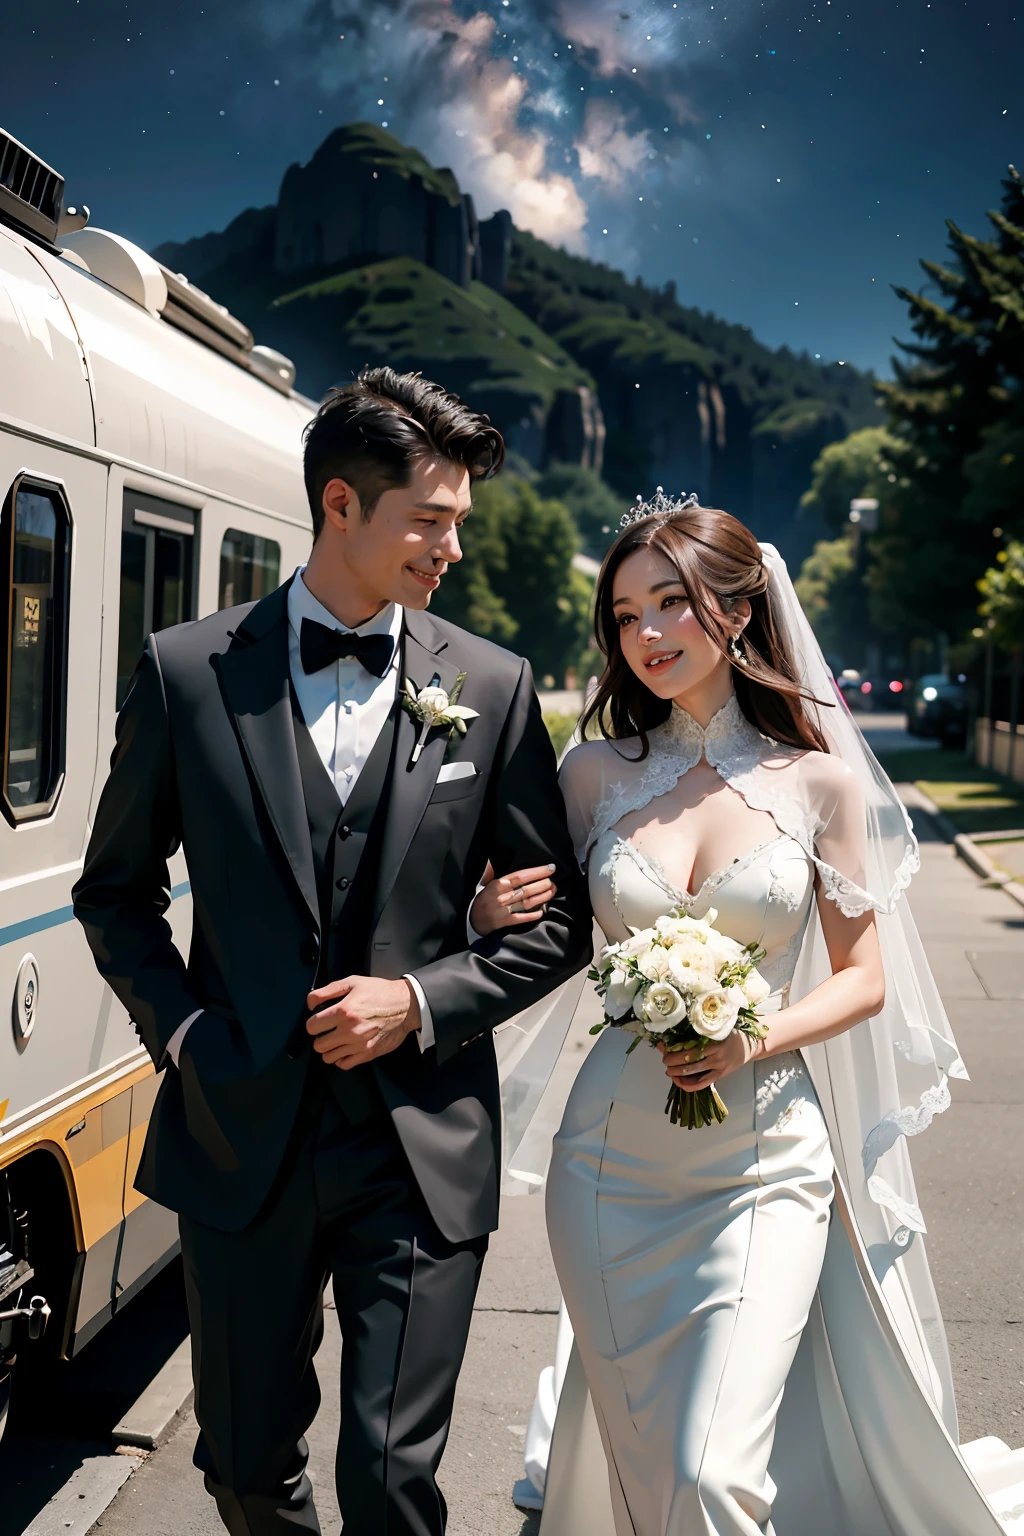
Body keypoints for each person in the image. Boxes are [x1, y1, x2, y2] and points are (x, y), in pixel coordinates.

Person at [72, 367, 592, 1536]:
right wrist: (192, 1033)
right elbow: (113, 892)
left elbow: (558, 920)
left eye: (460, 521)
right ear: (342, 507)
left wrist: (421, 997)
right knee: (245, 1463)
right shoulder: (188, 673)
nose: (451, 547)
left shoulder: (492, 687)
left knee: (391, 1475)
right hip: (237, 1129)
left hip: (418, 1149)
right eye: (433, 519)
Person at [472, 494, 1019, 1535]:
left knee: (710, 1465)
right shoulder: (588, 775)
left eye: (670, 604)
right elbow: (536, 934)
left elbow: (864, 979)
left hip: (766, 1158)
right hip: (606, 1164)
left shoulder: (820, 785)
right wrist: (482, 909)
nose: (646, 636)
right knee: (647, 1456)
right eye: (625, 616)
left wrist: (748, 1037)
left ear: (735, 608)